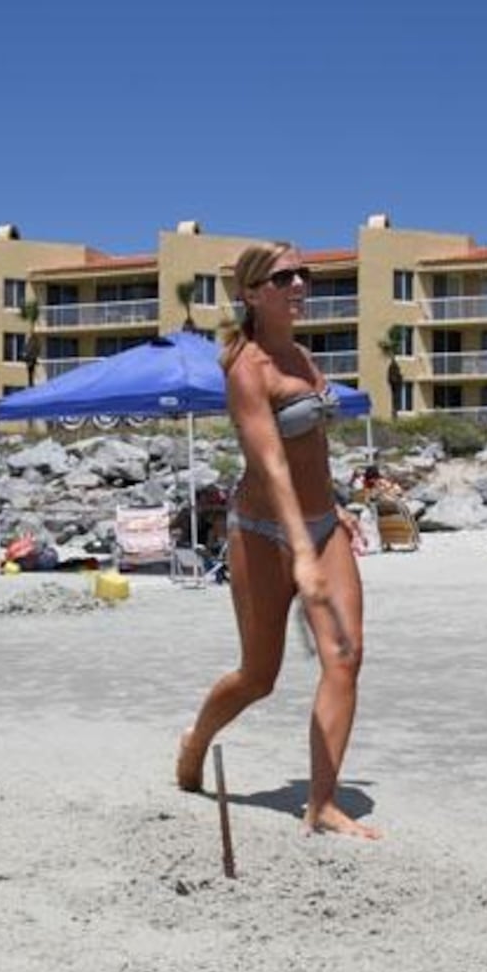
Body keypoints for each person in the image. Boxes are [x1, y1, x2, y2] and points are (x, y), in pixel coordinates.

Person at [175, 242, 378, 839]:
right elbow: (271, 466)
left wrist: (334, 508)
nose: (300, 285)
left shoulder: (303, 356)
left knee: (345, 656)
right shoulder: (247, 369)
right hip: (264, 533)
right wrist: (302, 554)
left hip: (320, 522)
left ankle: (321, 804)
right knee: (258, 676)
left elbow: (311, 449)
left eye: (304, 274)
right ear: (251, 293)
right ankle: (196, 742)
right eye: (284, 276)